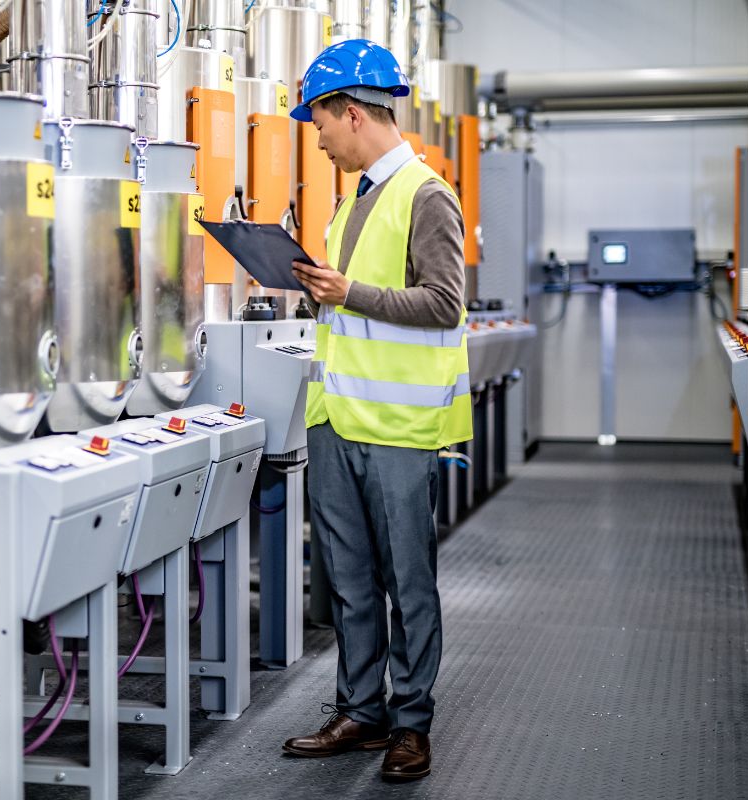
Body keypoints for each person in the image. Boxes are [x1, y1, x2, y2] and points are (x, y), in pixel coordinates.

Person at [280, 39, 472, 782]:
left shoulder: (426, 194)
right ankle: (362, 711)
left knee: (407, 581)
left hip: (397, 428)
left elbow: (444, 304)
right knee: (351, 579)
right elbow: (351, 306)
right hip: (337, 419)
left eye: (320, 123)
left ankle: (411, 723)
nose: (319, 137)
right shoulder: (349, 200)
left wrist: (345, 292)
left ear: (351, 113)